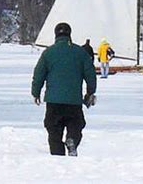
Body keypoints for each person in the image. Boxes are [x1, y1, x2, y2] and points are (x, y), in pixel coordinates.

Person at [31, 23, 97, 156]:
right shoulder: (80, 53)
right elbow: (90, 74)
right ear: (69, 35)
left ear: (56, 35)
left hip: (53, 101)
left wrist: (36, 92)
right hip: (74, 100)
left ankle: (57, 156)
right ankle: (72, 139)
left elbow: (39, 74)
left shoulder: (48, 53)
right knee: (75, 125)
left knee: (53, 129)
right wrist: (90, 92)